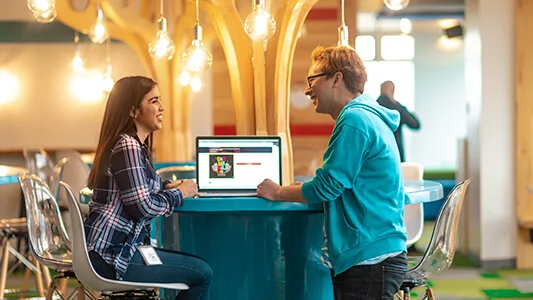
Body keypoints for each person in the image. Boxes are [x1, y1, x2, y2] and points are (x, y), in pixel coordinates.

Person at [257, 46, 408, 299]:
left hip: (369, 257)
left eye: (312, 80)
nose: (307, 90)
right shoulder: (366, 116)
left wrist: (279, 192)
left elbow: (328, 185)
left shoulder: (355, 119)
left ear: (337, 79)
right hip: (377, 252)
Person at [85, 76, 212, 300]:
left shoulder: (131, 145)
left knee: (196, 270)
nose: (161, 107)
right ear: (133, 110)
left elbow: (137, 186)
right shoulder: (128, 145)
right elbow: (143, 207)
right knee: (201, 273)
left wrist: (168, 186)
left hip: (106, 252)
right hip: (112, 256)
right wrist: (181, 192)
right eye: (154, 101)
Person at [377, 80, 420, 162]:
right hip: (396, 156)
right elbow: (415, 124)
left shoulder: (374, 107)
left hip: (377, 156)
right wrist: (400, 106)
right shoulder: (398, 109)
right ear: (393, 91)